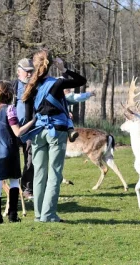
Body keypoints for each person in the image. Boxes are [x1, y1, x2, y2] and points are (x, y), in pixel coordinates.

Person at [21, 48, 87, 222]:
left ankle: (38, 214)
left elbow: (28, 116)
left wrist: (28, 136)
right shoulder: (56, 84)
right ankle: (48, 214)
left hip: (37, 133)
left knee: (39, 174)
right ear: (50, 65)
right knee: (54, 173)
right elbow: (81, 80)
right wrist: (64, 69)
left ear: (35, 65)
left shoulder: (30, 87)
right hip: (55, 132)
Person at [0, 80, 36, 224]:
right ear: (8, 93)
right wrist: (33, 121)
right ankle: (13, 216)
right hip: (9, 150)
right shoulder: (9, 109)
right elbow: (18, 131)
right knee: (14, 181)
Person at [12, 58, 35, 200]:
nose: (29, 74)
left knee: (30, 160)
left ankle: (27, 188)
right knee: (13, 160)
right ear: (18, 71)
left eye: (31, 71)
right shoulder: (12, 86)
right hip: (13, 131)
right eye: (26, 72)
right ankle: (14, 189)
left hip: (30, 130)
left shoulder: (35, 87)